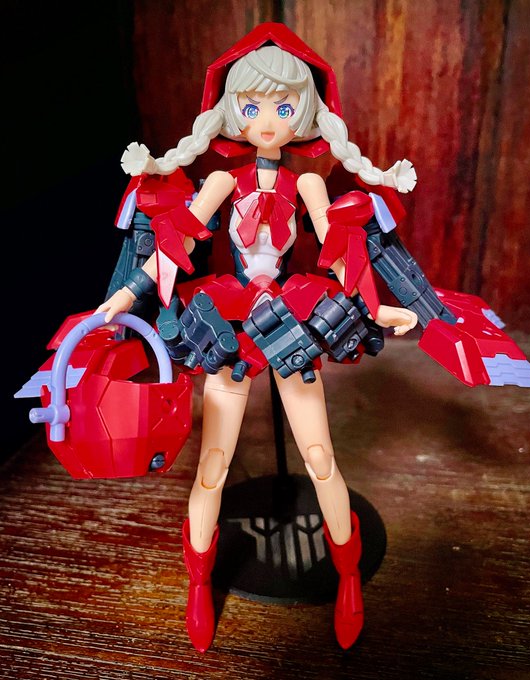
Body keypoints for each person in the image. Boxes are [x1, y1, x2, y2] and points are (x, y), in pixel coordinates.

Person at [97, 22, 418, 653]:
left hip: (292, 314)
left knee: (320, 458)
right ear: (229, 112)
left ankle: (347, 577)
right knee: (213, 466)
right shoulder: (222, 182)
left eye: (283, 107)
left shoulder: (309, 184)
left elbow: (340, 251)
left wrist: (377, 306)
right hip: (233, 318)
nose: (267, 122)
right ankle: (198, 584)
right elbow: (174, 247)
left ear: (307, 113)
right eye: (251, 107)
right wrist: (126, 295)